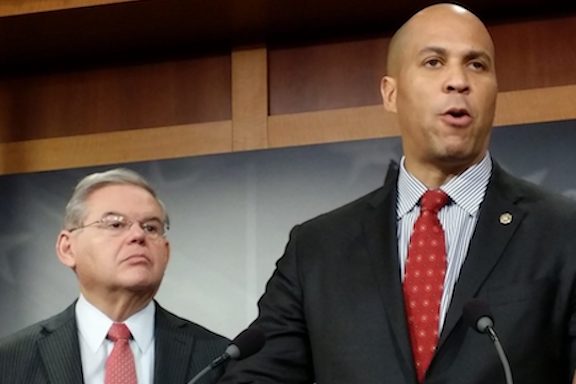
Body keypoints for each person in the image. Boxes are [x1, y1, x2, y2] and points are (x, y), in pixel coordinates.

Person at [219, 3, 576, 383]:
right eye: (434, 62)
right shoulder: (316, 248)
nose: (458, 81)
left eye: (477, 64)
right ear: (390, 94)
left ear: (494, 92)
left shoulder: (562, 231)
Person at [0, 168, 229, 383]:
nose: (138, 235)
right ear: (68, 248)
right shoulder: (10, 360)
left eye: (151, 227)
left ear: (166, 252)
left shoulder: (218, 357)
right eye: (115, 224)